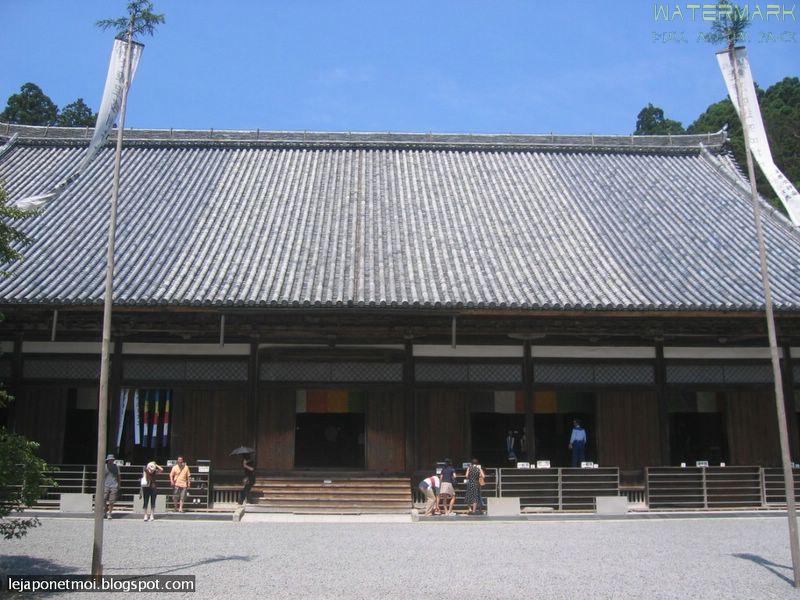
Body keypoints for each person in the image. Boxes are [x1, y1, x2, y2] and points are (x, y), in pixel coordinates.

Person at [103, 454, 120, 520]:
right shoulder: (104, 467)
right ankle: (106, 509)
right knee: (103, 499)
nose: (111, 461)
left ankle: (109, 513)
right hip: (105, 485)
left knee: (111, 501)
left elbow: (118, 476)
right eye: (110, 460)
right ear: (108, 460)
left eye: (112, 460)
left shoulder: (116, 467)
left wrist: (119, 484)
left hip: (114, 485)